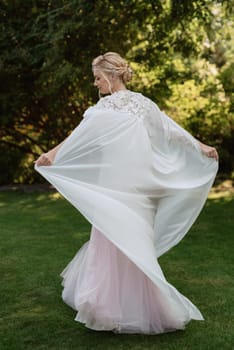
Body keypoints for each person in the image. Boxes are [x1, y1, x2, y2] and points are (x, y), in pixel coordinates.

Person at [35, 52, 218, 334]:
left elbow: (169, 129)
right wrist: (52, 154)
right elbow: (78, 135)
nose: (96, 84)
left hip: (137, 185)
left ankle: (147, 306)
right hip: (111, 184)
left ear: (111, 75)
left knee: (135, 241)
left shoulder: (142, 104)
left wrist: (199, 146)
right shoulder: (100, 109)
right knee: (109, 238)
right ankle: (107, 306)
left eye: (97, 78)